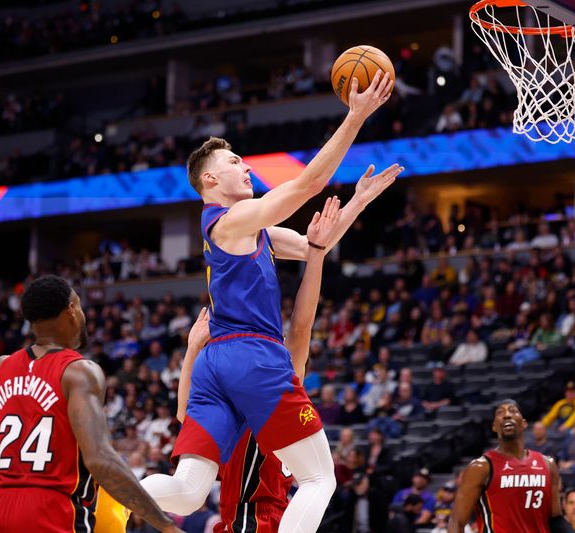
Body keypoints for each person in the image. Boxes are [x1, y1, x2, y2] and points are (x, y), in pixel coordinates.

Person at [142, 69, 399, 533]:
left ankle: (99, 486)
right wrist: (356, 117)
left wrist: (359, 201)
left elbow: (314, 245)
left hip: (215, 362)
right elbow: (307, 187)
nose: (246, 167)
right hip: (253, 356)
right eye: (236, 161)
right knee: (319, 478)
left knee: (187, 489)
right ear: (210, 178)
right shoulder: (229, 221)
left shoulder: (254, 230)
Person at [0, 276, 183, 533]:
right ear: (71, 309)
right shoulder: (80, 372)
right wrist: (165, 524)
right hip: (50, 511)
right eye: (78, 306)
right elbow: (100, 460)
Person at [176, 195, 339, 531]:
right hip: (266, 522)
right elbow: (302, 326)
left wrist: (194, 349)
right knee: (320, 479)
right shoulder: (252, 404)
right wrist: (318, 254)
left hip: (257, 522)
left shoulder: (237, 407)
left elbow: (184, 414)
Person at [448, 399, 572, 533]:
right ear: (494, 426)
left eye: (513, 411)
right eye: (500, 413)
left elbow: (556, 519)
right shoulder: (480, 467)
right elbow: (457, 522)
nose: (507, 415)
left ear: (524, 423)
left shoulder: (548, 464)